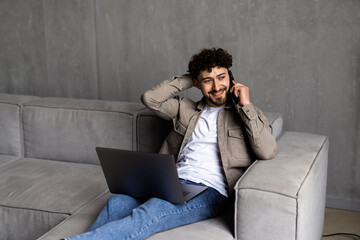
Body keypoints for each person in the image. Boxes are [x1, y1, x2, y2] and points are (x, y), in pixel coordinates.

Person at [65, 47, 277, 240]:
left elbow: (267, 151)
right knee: (116, 203)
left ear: (230, 78)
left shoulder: (247, 114)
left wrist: (246, 105)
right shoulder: (185, 109)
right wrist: (190, 78)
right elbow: (150, 99)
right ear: (197, 83)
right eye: (207, 80)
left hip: (210, 190)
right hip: (171, 183)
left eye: (221, 77)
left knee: (154, 210)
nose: (216, 86)